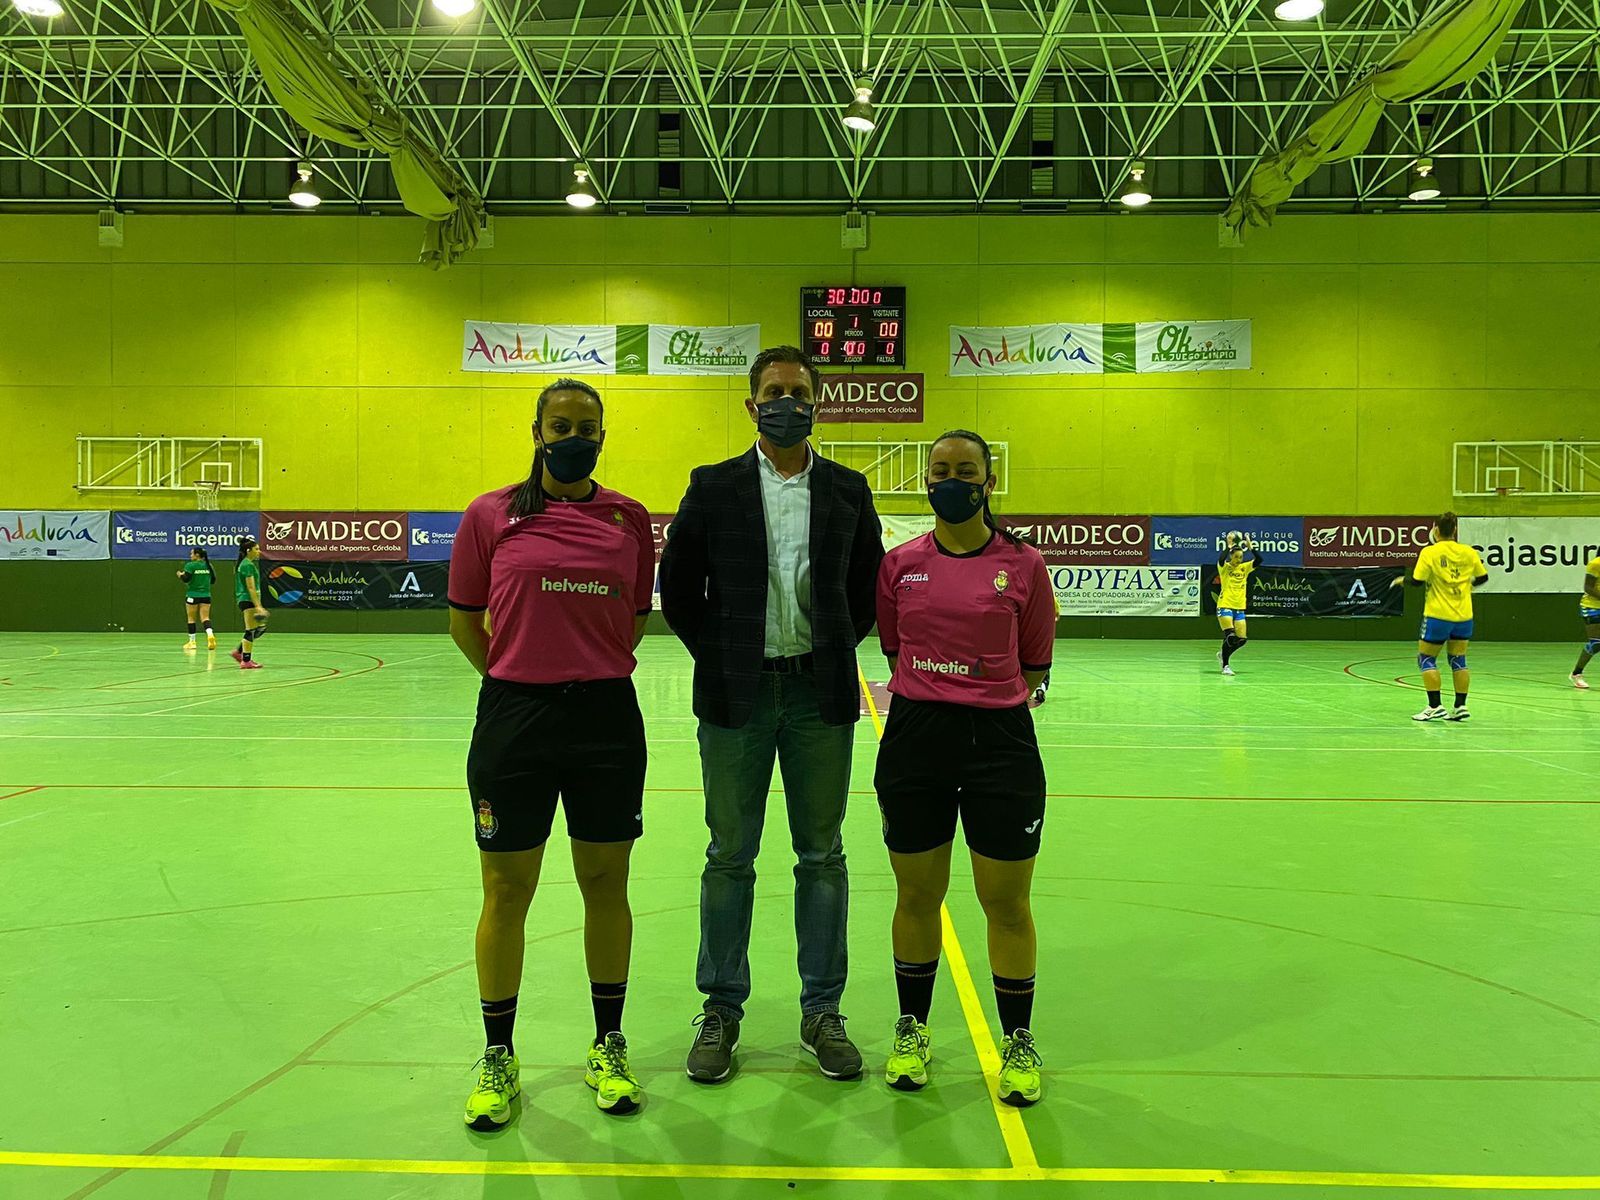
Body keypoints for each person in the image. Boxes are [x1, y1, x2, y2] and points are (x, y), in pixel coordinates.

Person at [659, 345, 884, 1084]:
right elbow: (679, 585)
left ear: (816, 403)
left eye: (799, 390)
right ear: (752, 405)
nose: (787, 400)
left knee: (822, 856)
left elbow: (867, 588)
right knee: (730, 856)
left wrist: (826, 650)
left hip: (818, 699)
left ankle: (823, 1012)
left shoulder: (849, 490)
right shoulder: (714, 486)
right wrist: (724, 655)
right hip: (736, 698)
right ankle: (721, 1010)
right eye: (774, 391)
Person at [448, 378, 655, 1130]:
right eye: (560, 424)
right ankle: (499, 1054)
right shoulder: (489, 515)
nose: (575, 436)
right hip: (515, 719)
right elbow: (466, 622)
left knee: (606, 881)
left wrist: (579, 667)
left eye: (588, 427)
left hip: (604, 717)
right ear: (536, 431)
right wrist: (521, 679)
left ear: (604, 434)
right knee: (507, 892)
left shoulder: (629, 518)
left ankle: (608, 1042)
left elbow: (630, 622)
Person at [872, 430, 1054, 1106]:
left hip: (1000, 743)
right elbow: (895, 648)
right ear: (927, 479)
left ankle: (1019, 1041)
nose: (951, 480)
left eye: (965, 470)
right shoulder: (898, 565)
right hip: (916, 736)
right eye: (940, 470)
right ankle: (912, 1030)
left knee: (1005, 902)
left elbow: (1035, 662)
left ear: (988, 480)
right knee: (917, 895)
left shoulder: (1024, 566)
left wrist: (981, 694)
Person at [1392, 511, 1488, 722]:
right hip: (1464, 615)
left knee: (1426, 658)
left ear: (1435, 530)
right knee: (1458, 659)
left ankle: (1435, 706)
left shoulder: (1430, 552)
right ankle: (1461, 706)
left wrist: (1402, 580)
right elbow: (1483, 577)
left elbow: (1417, 581)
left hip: (1438, 615)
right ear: (1454, 530)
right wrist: (1466, 586)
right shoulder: (1469, 552)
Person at [1215, 532, 1259, 676]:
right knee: (1230, 636)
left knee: (1242, 640)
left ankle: (1222, 654)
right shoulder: (1225, 567)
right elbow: (1221, 558)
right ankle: (1225, 666)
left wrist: (1249, 544)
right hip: (1225, 604)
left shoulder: (1244, 568)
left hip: (1239, 607)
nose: (1238, 560)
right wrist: (1229, 546)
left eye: (1240, 557)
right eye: (1236, 557)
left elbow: (1259, 559)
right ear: (1231, 557)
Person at [231, 538, 267, 670]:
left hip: (248, 600)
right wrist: (258, 606)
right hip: (247, 600)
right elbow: (250, 587)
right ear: (248, 550)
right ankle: (246, 660)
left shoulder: (247, 564)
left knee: (260, 628)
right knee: (250, 630)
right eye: (256, 549)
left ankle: (239, 651)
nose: (259, 551)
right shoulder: (247, 565)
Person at [1570, 553, 1600, 688]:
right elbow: (1588, 587)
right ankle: (1576, 673)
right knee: (1596, 643)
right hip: (1592, 607)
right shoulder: (1595, 564)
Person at [178, 548, 217, 651]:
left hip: (193, 595)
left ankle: (192, 642)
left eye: (192, 553)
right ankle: (210, 634)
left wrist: (181, 575)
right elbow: (213, 580)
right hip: (206, 595)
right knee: (205, 618)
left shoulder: (190, 565)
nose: (190, 555)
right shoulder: (208, 565)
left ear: (197, 555)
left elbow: (186, 579)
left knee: (191, 618)